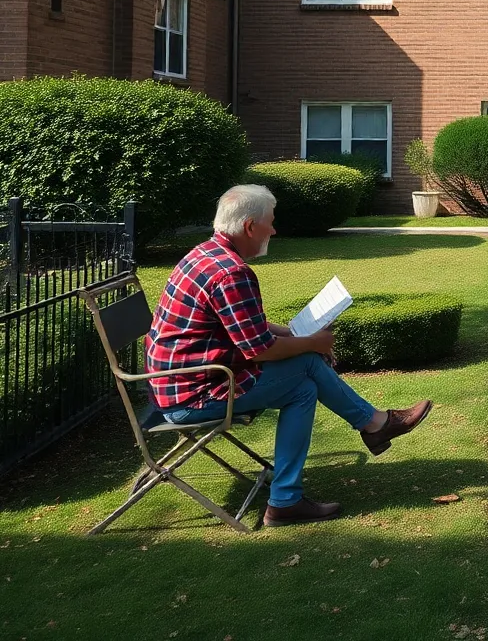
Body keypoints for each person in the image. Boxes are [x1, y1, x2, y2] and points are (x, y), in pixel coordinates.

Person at [145, 184, 433, 527]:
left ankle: (290, 497)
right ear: (250, 226)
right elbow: (260, 349)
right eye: (271, 222)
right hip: (195, 395)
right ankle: (371, 427)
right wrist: (313, 343)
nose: (274, 229)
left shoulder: (204, 254)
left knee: (303, 383)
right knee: (306, 370)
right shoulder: (232, 273)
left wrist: (297, 334)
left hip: (177, 385)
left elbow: (249, 324)